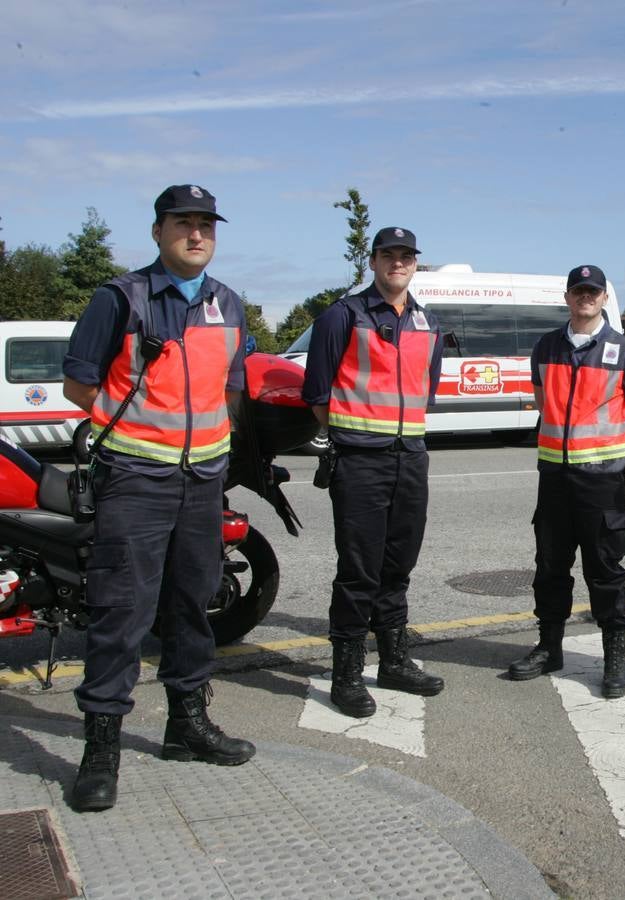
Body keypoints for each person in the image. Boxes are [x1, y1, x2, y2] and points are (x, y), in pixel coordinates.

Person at [61, 184, 255, 812]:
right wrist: (139, 434)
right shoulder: (120, 298)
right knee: (122, 614)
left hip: (202, 480)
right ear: (157, 232)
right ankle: (101, 750)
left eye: (206, 224)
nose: (196, 234)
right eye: (183, 223)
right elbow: (78, 386)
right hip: (136, 481)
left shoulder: (228, 304)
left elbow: (231, 389)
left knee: (193, 606)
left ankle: (185, 727)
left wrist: (209, 447)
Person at [302, 226, 446, 719]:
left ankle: (393, 660)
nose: (398, 263)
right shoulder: (343, 316)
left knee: (398, 565)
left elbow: (426, 391)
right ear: (373, 261)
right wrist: (356, 435)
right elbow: (318, 394)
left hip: (411, 456)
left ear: (414, 264)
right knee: (358, 570)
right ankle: (346, 672)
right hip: (360, 459)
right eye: (389, 255)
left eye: (406, 256)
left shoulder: (427, 323)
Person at [507, 264, 625, 699]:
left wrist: (603, 452)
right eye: (578, 291)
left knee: (605, 571)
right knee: (550, 567)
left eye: (593, 291)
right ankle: (549, 647)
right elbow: (544, 402)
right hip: (554, 478)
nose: (585, 297)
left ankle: (614, 657)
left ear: (605, 298)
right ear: (568, 297)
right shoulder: (546, 347)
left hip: (602, 483)